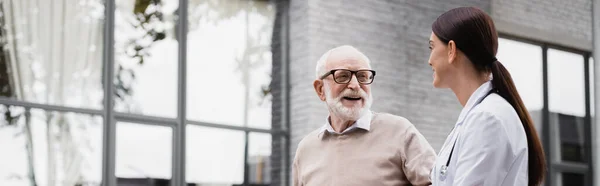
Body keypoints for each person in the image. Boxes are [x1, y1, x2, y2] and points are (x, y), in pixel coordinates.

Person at [427, 7, 546, 186]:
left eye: (432, 47)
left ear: (451, 50)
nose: (429, 60)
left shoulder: (488, 119)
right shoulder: (481, 114)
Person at [292, 45, 436, 186]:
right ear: (320, 89)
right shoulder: (306, 149)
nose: (355, 85)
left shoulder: (399, 132)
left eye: (362, 76)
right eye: (342, 76)